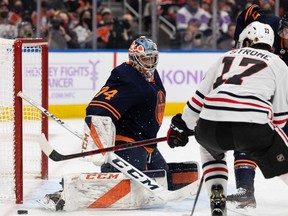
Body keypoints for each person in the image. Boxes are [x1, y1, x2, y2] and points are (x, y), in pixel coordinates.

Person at [167, 21, 288, 216]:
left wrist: (180, 128)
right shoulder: (278, 63)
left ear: (246, 40)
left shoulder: (226, 56)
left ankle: (218, 196)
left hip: (210, 127)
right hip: (252, 129)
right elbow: (281, 118)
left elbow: (197, 101)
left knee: (208, 149)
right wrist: (268, 145)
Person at [39, 36, 172, 211]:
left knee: (165, 182)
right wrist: (99, 144)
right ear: (134, 58)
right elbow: (97, 109)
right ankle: (64, 193)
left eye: (152, 57)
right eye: (145, 58)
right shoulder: (127, 77)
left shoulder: (151, 76)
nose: (149, 62)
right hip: (125, 146)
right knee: (130, 191)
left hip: (146, 144)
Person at [226, 5, 288, 210]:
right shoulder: (268, 24)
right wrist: (238, 44)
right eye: (285, 30)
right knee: (245, 136)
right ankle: (245, 190)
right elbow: (249, 10)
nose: (285, 36)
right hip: (258, 94)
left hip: (281, 98)